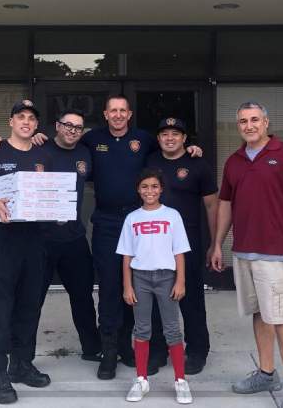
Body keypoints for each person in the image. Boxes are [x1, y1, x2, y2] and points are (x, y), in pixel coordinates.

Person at [77, 95, 201, 380]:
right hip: (107, 221)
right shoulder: (91, 139)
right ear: (106, 114)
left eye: (123, 111)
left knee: (140, 284)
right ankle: (109, 352)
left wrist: (192, 148)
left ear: (129, 114)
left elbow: (172, 149)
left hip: (138, 219)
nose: (118, 115)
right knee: (110, 286)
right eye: (113, 111)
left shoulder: (143, 139)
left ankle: (130, 346)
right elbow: (64, 146)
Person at [208, 101, 283, 408]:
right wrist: (218, 243)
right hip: (243, 252)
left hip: (274, 254)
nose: (249, 125)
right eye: (243, 121)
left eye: (255, 120)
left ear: (266, 122)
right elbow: (225, 204)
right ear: (238, 126)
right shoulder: (234, 161)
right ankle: (267, 373)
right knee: (259, 314)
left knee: (282, 318)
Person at [0, 99, 55, 405]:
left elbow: (50, 191)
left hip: (35, 240)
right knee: (0, 306)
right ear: (11, 121)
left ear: (36, 125)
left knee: (29, 305)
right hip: (3, 241)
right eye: (20, 117)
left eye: (31, 118)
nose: (26, 122)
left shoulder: (42, 153)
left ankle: (22, 364)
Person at [145, 117, 218, 375]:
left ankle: (197, 350)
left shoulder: (197, 164)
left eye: (176, 133)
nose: (170, 138)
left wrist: (214, 243)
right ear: (158, 138)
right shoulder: (150, 161)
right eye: (164, 133)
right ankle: (157, 351)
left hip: (188, 242)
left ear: (185, 139)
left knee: (191, 298)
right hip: (154, 242)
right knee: (154, 296)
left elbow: (212, 205)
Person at [117, 168, 193, 404]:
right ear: (138, 190)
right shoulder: (132, 218)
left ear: (161, 189)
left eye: (154, 186)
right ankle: (141, 379)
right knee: (141, 329)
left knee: (171, 329)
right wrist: (127, 286)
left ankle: (180, 381)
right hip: (140, 278)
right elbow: (127, 256)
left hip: (166, 278)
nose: (149, 191)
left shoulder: (172, 215)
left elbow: (179, 251)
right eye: (144, 187)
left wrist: (180, 280)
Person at [32, 109, 102, 363]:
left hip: (74, 238)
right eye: (68, 125)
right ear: (57, 126)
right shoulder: (39, 148)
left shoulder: (86, 153)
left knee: (83, 297)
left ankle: (92, 348)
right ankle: (21, 354)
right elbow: (12, 152)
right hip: (41, 238)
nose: (73, 130)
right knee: (32, 299)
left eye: (78, 127)